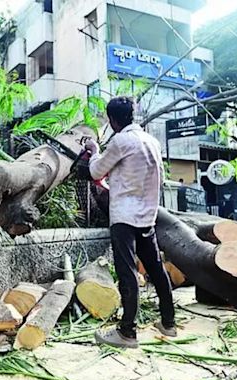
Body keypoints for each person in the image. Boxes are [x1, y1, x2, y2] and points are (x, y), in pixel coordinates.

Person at [84, 96, 176, 349]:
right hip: (147, 215)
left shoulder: (121, 140)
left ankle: (127, 332)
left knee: (127, 274)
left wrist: (94, 150)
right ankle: (169, 323)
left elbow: (95, 171)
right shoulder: (152, 141)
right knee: (156, 269)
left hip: (124, 217)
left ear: (113, 120)